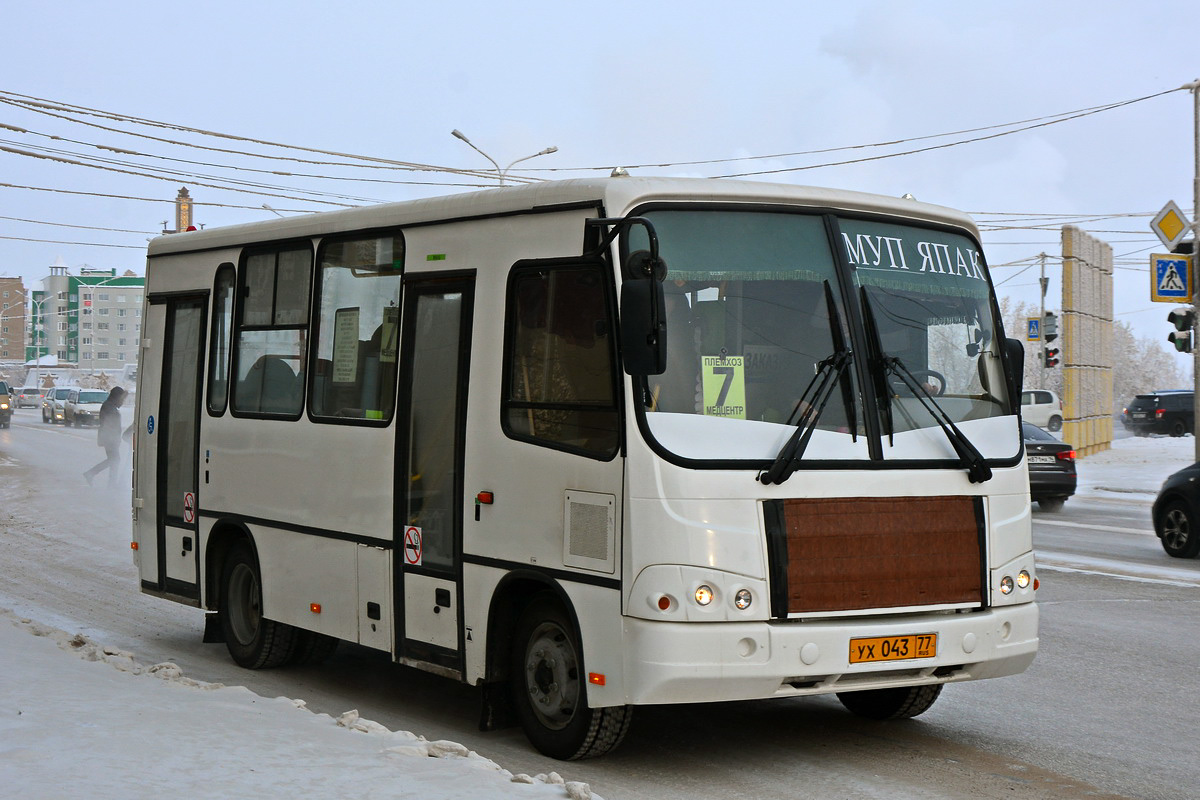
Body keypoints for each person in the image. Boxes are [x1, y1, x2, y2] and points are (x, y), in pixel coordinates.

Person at [83, 387, 131, 488]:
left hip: (110, 438)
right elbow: (110, 424)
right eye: (121, 399)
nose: (122, 401)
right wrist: (114, 438)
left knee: (114, 460)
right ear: (116, 397)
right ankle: (93, 474)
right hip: (109, 438)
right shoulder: (109, 407)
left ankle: (109, 483)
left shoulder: (110, 405)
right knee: (114, 460)